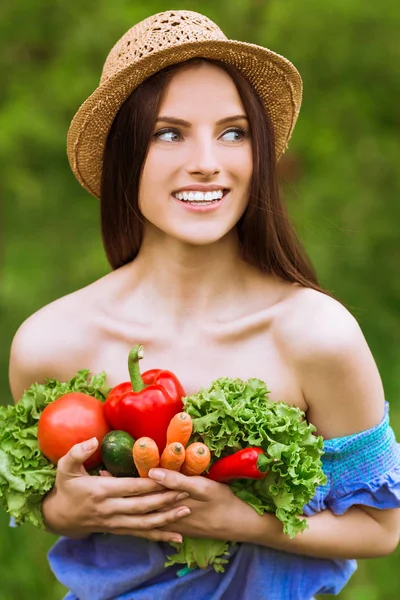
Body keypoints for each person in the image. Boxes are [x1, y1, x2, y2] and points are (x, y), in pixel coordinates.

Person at [8, 10, 400, 600]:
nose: (207, 162)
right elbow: (47, 507)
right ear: (124, 155)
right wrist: (71, 507)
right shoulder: (51, 344)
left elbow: (380, 528)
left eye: (233, 132)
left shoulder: (318, 336)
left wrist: (237, 520)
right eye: (169, 133)